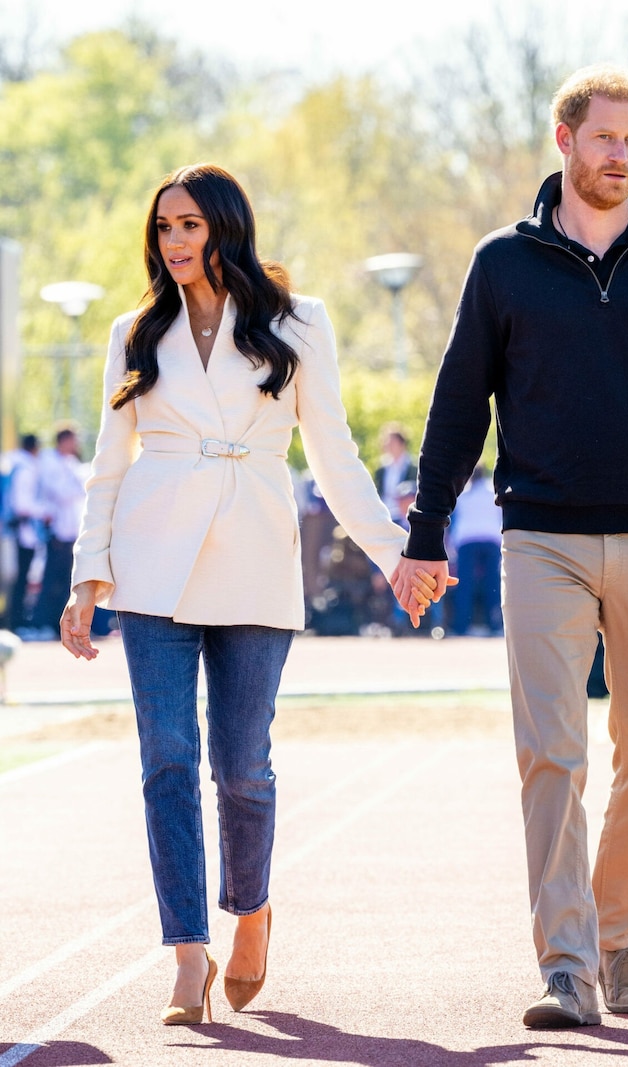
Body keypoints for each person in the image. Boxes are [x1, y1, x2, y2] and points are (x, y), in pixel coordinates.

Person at [391, 65, 628, 1029]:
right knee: (550, 752)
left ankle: (617, 934)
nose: (621, 157)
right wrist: (426, 530)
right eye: (605, 140)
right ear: (565, 141)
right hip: (541, 537)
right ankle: (566, 962)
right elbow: (457, 400)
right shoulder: (503, 262)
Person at [60, 163, 432, 1026]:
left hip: (256, 564)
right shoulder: (133, 330)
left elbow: (334, 454)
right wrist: (88, 577)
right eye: (164, 229)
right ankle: (187, 951)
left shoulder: (299, 322)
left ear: (226, 226)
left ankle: (252, 907)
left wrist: (396, 555)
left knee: (242, 768)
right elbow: (108, 467)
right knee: (165, 761)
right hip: (150, 564)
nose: (175, 242)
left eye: (189, 225)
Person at [28, 428, 88, 638]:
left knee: (66, 582)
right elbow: (61, 493)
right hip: (56, 531)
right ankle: (41, 624)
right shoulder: (48, 462)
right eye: (73, 440)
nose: (76, 445)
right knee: (50, 580)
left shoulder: (71, 463)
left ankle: (57, 625)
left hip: (71, 533)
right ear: (63, 441)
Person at [449, 464, 503, 636]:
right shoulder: (493, 491)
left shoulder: (462, 494)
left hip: (467, 539)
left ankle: (461, 625)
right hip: (491, 539)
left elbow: (455, 522)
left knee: (464, 584)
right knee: (492, 583)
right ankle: (493, 624)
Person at [5, 433, 45, 633]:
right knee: (20, 578)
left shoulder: (12, 463)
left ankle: (14, 621)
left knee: (17, 577)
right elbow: (23, 505)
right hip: (22, 530)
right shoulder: (26, 468)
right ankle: (15, 622)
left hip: (14, 529)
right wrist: (44, 512)